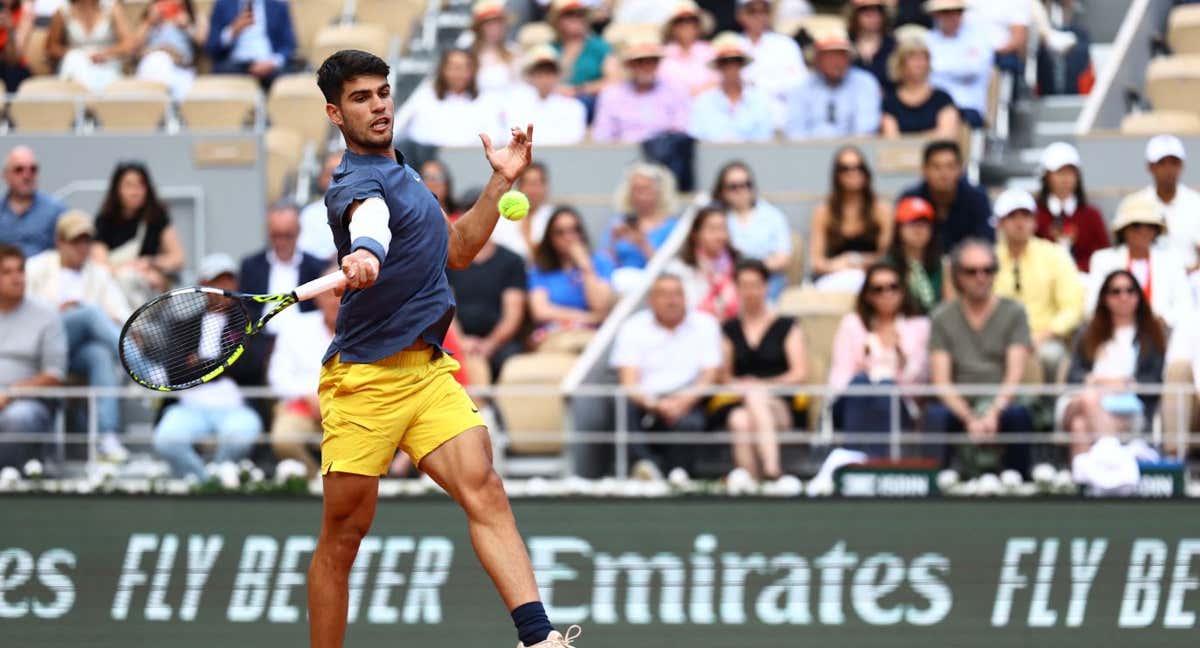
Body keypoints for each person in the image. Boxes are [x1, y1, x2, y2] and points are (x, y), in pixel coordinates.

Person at [310, 49, 579, 648]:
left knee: (483, 485)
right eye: (360, 98)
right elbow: (369, 221)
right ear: (335, 112)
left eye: (382, 92)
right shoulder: (356, 184)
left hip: (428, 374)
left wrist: (501, 181)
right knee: (344, 538)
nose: (378, 106)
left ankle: (538, 638)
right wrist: (366, 253)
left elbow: (457, 250)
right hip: (365, 381)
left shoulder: (407, 175)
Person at [25, 210, 132, 461]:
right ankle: (139, 366)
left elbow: (123, 314)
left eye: (87, 241)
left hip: (79, 352)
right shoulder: (36, 267)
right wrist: (57, 312)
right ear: (59, 242)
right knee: (90, 313)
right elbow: (24, 312)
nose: (82, 247)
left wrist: (109, 318)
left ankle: (106, 436)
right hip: (44, 345)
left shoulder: (98, 273)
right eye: (76, 241)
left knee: (100, 355)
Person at [926, 239, 1033, 476]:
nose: (981, 277)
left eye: (988, 270)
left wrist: (993, 412)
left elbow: (1014, 375)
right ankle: (935, 487)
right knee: (936, 417)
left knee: (1019, 416)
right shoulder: (941, 317)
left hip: (1002, 401)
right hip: (960, 403)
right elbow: (941, 381)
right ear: (957, 275)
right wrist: (970, 417)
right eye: (971, 271)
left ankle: (1021, 484)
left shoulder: (1014, 312)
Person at [152, 254, 263, 479]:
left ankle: (215, 481)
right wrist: (224, 364)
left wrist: (201, 362)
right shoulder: (183, 324)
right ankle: (206, 483)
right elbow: (174, 371)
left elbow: (251, 366)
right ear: (203, 285)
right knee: (166, 439)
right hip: (187, 407)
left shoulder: (250, 322)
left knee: (241, 435)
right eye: (216, 281)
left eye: (228, 281)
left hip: (236, 407)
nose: (223, 288)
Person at [611, 273, 721, 480]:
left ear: (686, 298)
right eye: (664, 294)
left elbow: (710, 375)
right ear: (651, 300)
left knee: (692, 421)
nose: (672, 300)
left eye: (677, 294)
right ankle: (646, 469)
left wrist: (683, 401)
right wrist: (652, 403)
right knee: (621, 407)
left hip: (690, 397)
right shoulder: (633, 327)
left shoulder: (706, 324)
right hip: (645, 398)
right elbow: (628, 380)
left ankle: (678, 476)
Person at [718, 260, 807, 480]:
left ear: (766, 286)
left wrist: (764, 386)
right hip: (740, 402)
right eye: (744, 285)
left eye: (755, 285)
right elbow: (724, 375)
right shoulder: (729, 329)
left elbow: (800, 373)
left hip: (780, 403)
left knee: (756, 395)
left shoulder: (786, 325)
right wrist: (741, 387)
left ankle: (771, 469)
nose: (750, 292)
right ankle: (753, 483)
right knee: (740, 420)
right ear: (737, 288)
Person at [829, 261, 930, 456]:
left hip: (900, 402)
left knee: (885, 387)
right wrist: (866, 365)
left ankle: (878, 465)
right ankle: (855, 462)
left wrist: (901, 358)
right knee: (861, 383)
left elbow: (921, 380)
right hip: (854, 400)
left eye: (893, 287)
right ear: (867, 295)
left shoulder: (919, 326)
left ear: (903, 291)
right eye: (878, 289)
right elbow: (839, 376)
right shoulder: (852, 324)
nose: (887, 294)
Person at [1061, 270, 1165, 457]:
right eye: (1115, 291)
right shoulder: (1088, 333)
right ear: (1105, 297)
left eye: (1130, 290)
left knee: (1080, 426)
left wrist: (1105, 383)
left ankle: (1089, 481)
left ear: (1138, 296)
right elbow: (1073, 376)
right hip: (1082, 399)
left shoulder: (1151, 335)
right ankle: (1115, 458)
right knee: (1089, 398)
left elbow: (1153, 379)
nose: (1123, 297)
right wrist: (1113, 384)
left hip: (1128, 408)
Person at [991, 188, 1084, 380]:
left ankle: (1048, 411)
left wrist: (1045, 334)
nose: (1019, 223)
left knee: (1051, 357)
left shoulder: (1055, 255)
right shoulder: (987, 259)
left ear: (1034, 221)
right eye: (1011, 216)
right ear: (1000, 223)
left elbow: (1072, 308)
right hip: (996, 340)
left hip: (1045, 339)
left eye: (1025, 215)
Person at [238, 200, 327, 388]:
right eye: (275, 236)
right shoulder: (251, 266)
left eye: (288, 235)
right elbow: (247, 309)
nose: (282, 242)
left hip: (305, 343)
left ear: (298, 232)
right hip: (262, 343)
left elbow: (321, 311)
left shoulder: (316, 267)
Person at [0, 243, 66, 469]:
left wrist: (9, 394)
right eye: (7, 272)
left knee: (18, 418)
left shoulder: (46, 315)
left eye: (20, 270)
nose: (17, 278)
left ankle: (8, 484)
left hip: (29, 402)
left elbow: (54, 376)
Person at [267, 270, 339, 477]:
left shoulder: (368, 329)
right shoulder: (294, 327)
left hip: (352, 412)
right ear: (317, 298)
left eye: (342, 295)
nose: (335, 302)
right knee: (284, 438)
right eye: (329, 295)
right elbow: (277, 377)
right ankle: (317, 481)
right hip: (303, 409)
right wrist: (311, 397)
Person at [1087, 194, 1194, 332]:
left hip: (1163, 334)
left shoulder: (1171, 260)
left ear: (1156, 231)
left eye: (1150, 226)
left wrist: (1164, 320)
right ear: (1123, 230)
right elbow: (1091, 305)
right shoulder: (1103, 260)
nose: (1143, 232)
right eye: (1136, 226)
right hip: (1115, 332)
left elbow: (1185, 305)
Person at [91, 161, 185, 305]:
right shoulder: (104, 220)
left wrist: (149, 263)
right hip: (115, 291)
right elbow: (101, 264)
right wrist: (132, 268)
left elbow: (177, 258)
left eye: (140, 185)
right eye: (128, 185)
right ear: (117, 189)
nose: (134, 192)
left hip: (150, 293)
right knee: (127, 278)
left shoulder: (157, 217)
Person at [528, 206, 616, 346]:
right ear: (550, 238)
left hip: (591, 334)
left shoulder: (600, 262)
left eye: (574, 230)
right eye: (560, 232)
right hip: (555, 333)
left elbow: (600, 306)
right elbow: (541, 311)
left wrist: (586, 267)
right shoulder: (540, 269)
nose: (568, 237)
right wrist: (588, 318)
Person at [809, 146, 893, 292]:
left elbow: (886, 255)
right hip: (834, 276)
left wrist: (858, 261)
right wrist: (838, 265)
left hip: (872, 277)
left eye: (858, 167)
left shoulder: (882, 210)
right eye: (845, 169)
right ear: (837, 175)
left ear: (866, 172)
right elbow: (816, 261)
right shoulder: (823, 212)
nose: (853, 173)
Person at [447, 234, 527, 380]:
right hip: (458, 342)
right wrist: (461, 342)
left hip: (501, 345)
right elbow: (445, 307)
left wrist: (490, 344)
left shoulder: (512, 261)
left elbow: (512, 315)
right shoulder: (447, 260)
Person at [711, 161, 791, 299]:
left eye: (746, 185)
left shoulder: (772, 215)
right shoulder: (717, 218)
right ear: (722, 191)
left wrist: (754, 270)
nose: (741, 191)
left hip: (766, 277)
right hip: (727, 278)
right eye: (733, 187)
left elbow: (784, 257)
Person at [394, 49, 505, 148]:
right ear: (443, 70)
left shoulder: (487, 101)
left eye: (465, 68)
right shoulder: (424, 97)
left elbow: (495, 139)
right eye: (454, 67)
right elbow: (399, 128)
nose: (459, 73)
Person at [784, 27, 882, 140]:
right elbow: (795, 133)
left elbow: (865, 130)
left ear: (849, 58)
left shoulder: (865, 83)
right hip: (809, 152)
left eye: (841, 55)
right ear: (817, 59)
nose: (836, 62)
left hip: (853, 153)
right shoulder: (800, 88)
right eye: (830, 56)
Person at [1126, 135, 1200, 278]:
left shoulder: (1196, 203)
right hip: (1147, 277)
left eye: (1174, 162)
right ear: (1150, 167)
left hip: (1192, 277)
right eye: (1162, 163)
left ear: (1181, 166)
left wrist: (1192, 270)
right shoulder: (1134, 204)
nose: (1168, 169)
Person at [590, 38, 690, 144]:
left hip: (666, 153)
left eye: (652, 61)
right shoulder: (611, 95)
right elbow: (603, 135)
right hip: (623, 154)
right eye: (640, 62)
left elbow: (682, 128)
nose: (646, 67)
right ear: (629, 65)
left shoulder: (675, 90)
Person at [899, 140, 993, 251]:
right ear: (924, 170)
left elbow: (986, 242)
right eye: (936, 167)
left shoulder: (977, 198)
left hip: (967, 265)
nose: (944, 174)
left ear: (960, 170)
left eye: (950, 167)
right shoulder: (910, 199)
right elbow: (899, 243)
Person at [1034, 141, 1108, 273]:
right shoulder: (1036, 214)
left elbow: (1104, 255)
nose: (1065, 179)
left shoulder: (1091, 215)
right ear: (1046, 176)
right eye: (1059, 172)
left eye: (1070, 172)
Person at [688, 31, 774, 143]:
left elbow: (764, 139)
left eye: (736, 61)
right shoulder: (703, 102)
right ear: (718, 66)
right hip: (713, 158)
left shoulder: (759, 100)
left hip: (752, 157)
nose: (731, 68)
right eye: (725, 62)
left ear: (742, 64)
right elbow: (698, 140)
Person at [603, 163, 680, 282]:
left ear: (659, 192)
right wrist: (613, 241)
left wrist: (643, 244)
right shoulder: (618, 223)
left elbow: (670, 269)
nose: (641, 196)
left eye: (646, 189)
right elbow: (605, 263)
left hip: (655, 283)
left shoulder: (672, 227)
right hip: (620, 282)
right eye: (636, 190)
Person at [736, 0, 806, 129]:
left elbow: (798, 85)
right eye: (752, 11)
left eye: (763, 11)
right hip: (742, 127)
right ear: (740, 15)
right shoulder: (733, 45)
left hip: (780, 123)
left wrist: (756, 84)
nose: (758, 16)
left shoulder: (786, 44)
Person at [924, 0, 992, 128]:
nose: (951, 16)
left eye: (957, 12)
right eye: (944, 12)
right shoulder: (926, 39)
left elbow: (972, 69)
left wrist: (934, 68)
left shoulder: (978, 37)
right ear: (935, 15)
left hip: (967, 106)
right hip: (931, 106)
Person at [881, 31, 961, 139]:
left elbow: (947, 135)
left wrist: (907, 138)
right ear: (901, 64)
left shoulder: (942, 98)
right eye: (913, 58)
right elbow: (891, 139)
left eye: (924, 58)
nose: (919, 63)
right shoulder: (890, 103)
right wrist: (931, 134)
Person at [503, 45, 587, 146]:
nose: (545, 79)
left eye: (549, 72)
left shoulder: (574, 107)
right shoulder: (515, 106)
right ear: (530, 75)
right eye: (540, 73)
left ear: (558, 75)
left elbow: (573, 140)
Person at [666, 204, 739, 320]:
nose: (720, 235)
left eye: (723, 228)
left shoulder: (739, 263)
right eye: (712, 229)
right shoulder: (678, 269)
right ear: (695, 234)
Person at [46, 0, 135, 92]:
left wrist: (104, 54)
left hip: (106, 62)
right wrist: (81, 55)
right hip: (76, 63)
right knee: (74, 59)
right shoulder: (63, 10)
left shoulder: (111, 7)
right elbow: (51, 47)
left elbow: (129, 44)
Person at [549, 0, 619, 112]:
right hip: (554, 99)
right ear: (557, 21)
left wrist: (579, 90)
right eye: (569, 15)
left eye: (580, 14)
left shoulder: (600, 47)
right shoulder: (550, 49)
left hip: (588, 101)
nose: (576, 19)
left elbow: (613, 81)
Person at [204, 0, 296, 86]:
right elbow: (211, 47)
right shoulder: (223, 5)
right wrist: (232, 31)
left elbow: (289, 45)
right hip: (235, 65)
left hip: (269, 63)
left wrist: (273, 62)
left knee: (288, 76)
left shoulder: (278, 5)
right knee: (222, 71)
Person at [887, 195, 952, 313]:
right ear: (899, 228)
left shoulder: (942, 264)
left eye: (925, 224)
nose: (919, 230)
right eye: (912, 223)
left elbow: (950, 306)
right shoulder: (887, 265)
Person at [132, 0, 207, 99]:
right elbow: (133, 47)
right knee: (157, 62)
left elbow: (203, 42)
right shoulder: (152, 16)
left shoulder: (193, 15)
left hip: (180, 66)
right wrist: (149, 22)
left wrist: (188, 26)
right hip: (152, 61)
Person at [1, 147, 67, 259]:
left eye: (33, 169)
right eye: (19, 169)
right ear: (5, 175)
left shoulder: (56, 211)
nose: (27, 176)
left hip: (44, 275)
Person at [491, 161, 555, 260]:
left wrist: (527, 235)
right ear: (519, 187)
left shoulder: (554, 218)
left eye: (537, 184)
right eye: (528, 184)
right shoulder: (501, 218)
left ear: (545, 187)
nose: (533, 191)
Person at [659, 0, 717, 97]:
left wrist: (699, 92)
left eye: (691, 21)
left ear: (698, 27)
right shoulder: (663, 55)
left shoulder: (709, 52)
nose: (686, 25)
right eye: (680, 21)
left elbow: (718, 80)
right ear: (672, 28)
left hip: (705, 104)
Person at [466, 0, 520, 95]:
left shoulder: (514, 52)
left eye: (499, 23)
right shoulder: (469, 54)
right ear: (479, 28)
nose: (496, 28)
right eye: (490, 23)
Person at [298, 149, 344, 261]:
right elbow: (305, 258)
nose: (339, 181)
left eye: (344, 174)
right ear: (321, 179)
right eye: (332, 174)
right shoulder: (309, 215)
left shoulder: (371, 209)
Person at [850, 0, 897, 92]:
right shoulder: (846, 44)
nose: (873, 17)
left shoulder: (893, 45)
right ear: (855, 16)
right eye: (866, 12)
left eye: (878, 12)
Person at [0, 0, 34, 93]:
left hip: (14, 66)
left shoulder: (24, 13)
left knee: (11, 72)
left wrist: (9, 30)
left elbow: (14, 58)